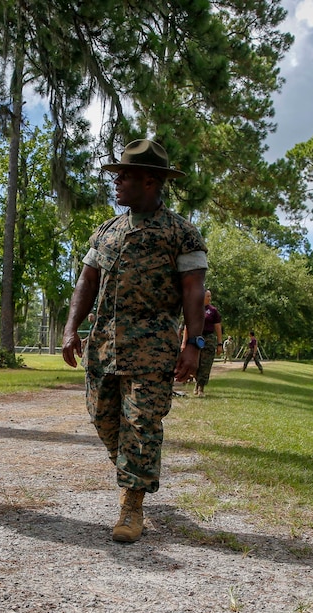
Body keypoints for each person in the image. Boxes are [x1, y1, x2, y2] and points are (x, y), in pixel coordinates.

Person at [61, 139, 207, 544]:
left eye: (124, 176)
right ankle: (133, 473)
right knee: (103, 419)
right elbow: (86, 282)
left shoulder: (182, 233)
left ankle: (132, 503)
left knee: (142, 424)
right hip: (104, 346)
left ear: (149, 181)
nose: (117, 182)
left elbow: (194, 290)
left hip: (153, 347)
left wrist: (193, 343)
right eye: (117, 174)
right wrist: (72, 328)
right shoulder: (107, 231)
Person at [182, 289, 222, 396]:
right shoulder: (194, 309)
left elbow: (218, 327)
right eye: (207, 296)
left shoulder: (213, 311)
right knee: (195, 363)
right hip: (195, 338)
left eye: (210, 296)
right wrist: (184, 343)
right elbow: (187, 326)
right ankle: (196, 383)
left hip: (208, 339)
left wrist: (219, 344)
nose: (209, 298)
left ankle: (201, 388)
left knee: (206, 364)